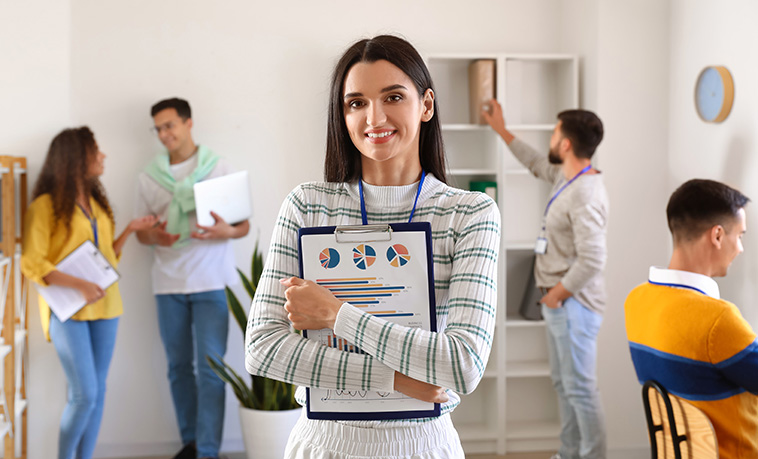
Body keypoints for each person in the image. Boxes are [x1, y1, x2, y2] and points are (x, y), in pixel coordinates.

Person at [245, 35, 500, 459]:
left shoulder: (469, 213)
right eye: (356, 102)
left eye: (393, 96)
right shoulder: (308, 205)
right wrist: (396, 379)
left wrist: (334, 313)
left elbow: (462, 364)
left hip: (422, 445)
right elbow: (262, 349)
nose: (373, 116)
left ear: (427, 104)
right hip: (322, 443)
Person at [21, 127, 156, 459]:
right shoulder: (44, 206)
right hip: (67, 311)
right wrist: (79, 285)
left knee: (97, 394)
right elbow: (32, 262)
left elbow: (105, 257)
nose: (103, 156)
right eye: (96, 151)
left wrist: (129, 231)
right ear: (77, 157)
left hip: (106, 307)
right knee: (84, 395)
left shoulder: (96, 203)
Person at [483, 100, 608, 458]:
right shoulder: (567, 178)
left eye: (555, 134)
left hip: (574, 305)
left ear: (566, 144)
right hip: (561, 304)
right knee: (565, 385)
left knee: (580, 388)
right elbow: (536, 163)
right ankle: (570, 453)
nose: (551, 140)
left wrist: (556, 295)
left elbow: (594, 259)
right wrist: (500, 128)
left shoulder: (585, 192)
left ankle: (592, 455)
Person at [134, 98, 250, 459]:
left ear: (188, 123)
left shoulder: (219, 169)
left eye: (170, 125)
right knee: (178, 369)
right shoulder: (148, 177)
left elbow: (243, 226)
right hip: (167, 284)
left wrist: (222, 232)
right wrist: (156, 236)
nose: (165, 134)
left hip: (211, 283)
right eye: (159, 128)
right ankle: (191, 443)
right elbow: (141, 232)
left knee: (211, 371)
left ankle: (209, 452)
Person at [625, 179, 756, 458]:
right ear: (717, 236)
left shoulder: (636, 301)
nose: (741, 248)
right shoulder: (718, 320)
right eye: (740, 235)